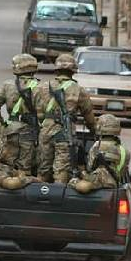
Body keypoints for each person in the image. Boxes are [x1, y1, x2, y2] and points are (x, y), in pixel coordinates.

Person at [35, 54, 97, 183]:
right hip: (64, 132)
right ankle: (58, 194)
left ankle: (40, 193)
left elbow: (39, 113)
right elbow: (88, 115)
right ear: (73, 71)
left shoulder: (41, 87)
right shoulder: (78, 90)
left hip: (45, 130)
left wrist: (47, 123)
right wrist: (94, 131)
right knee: (61, 170)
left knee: (43, 168)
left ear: (56, 69)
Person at [0, 54, 41, 175]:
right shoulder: (41, 87)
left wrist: (2, 122)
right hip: (31, 131)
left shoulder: (7, 85)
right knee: (26, 168)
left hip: (11, 130)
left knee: (8, 164)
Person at [70, 114, 131, 194]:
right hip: (113, 184)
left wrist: (82, 172)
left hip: (96, 181)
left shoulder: (96, 146)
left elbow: (90, 167)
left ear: (99, 127)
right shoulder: (124, 150)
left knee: (73, 181)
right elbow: (122, 171)